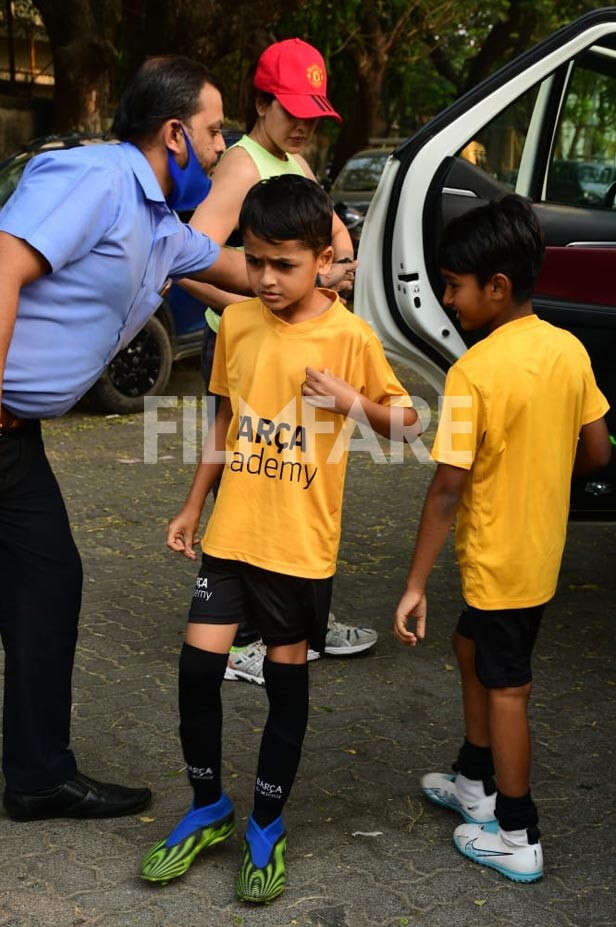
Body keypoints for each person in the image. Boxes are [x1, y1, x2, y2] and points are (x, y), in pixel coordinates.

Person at [140, 175, 418, 902]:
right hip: (232, 535)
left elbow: (410, 419)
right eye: (254, 259)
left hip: (298, 545)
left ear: (324, 259)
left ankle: (266, 822)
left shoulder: (351, 336)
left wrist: (355, 402)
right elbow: (224, 423)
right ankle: (207, 808)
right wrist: (192, 504)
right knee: (197, 672)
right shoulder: (234, 327)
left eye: (284, 264)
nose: (265, 278)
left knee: (284, 686)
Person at [0, 56, 251, 821]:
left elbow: (238, 267)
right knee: (43, 581)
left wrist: (318, 269)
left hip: (14, 440)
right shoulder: (95, 179)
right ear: (175, 134)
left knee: (47, 583)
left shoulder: (156, 224)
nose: (218, 149)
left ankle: (38, 776)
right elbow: (3, 264)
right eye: (213, 133)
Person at [393, 195, 611, 882]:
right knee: (471, 646)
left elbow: (448, 488)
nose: (447, 298)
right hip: (537, 556)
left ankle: (517, 831)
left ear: (497, 287)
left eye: (454, 286)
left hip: (497, 562)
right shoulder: (567, 349)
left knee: (507, 685)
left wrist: (415, 583)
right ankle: (474, 776)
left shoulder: (475, 372)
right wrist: (545, 466)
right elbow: (599, 452)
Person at [184, 38, 377, 685]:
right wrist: (257, 303)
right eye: (292, 109)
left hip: (300, 345)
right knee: (250, 474)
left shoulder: (289, 155)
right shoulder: (243, 164)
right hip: (248, 349)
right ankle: (245, 636)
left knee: (301, 478)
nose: (304, 124)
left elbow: (330, 239)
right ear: (261, 101)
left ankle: (299, 620)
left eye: (313, 112)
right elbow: (188, 255)